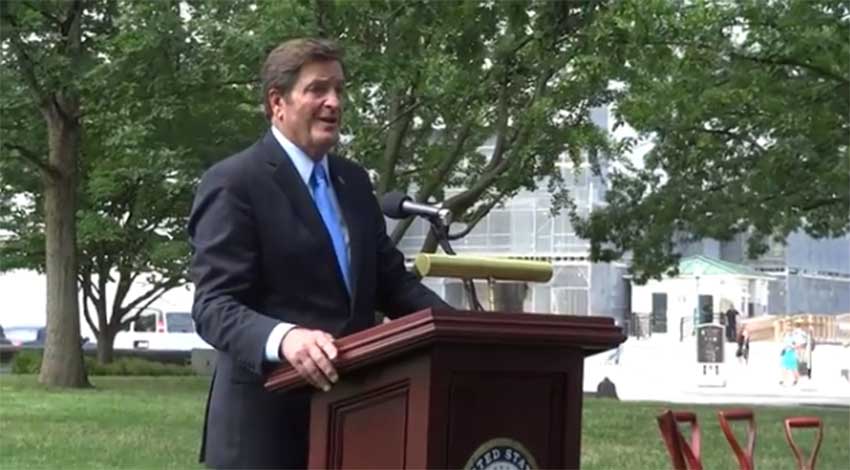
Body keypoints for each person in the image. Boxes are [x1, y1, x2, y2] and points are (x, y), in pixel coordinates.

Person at [187, 38, 453, 469]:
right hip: (265, 432)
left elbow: (392, 284)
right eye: (317, 90)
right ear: (278, 102)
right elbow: (214, 306)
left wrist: (460, 333)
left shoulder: (353, 182)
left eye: (339, 91)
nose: (333, 102)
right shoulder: (235, 183)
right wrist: (286, 337)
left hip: (356, 418)